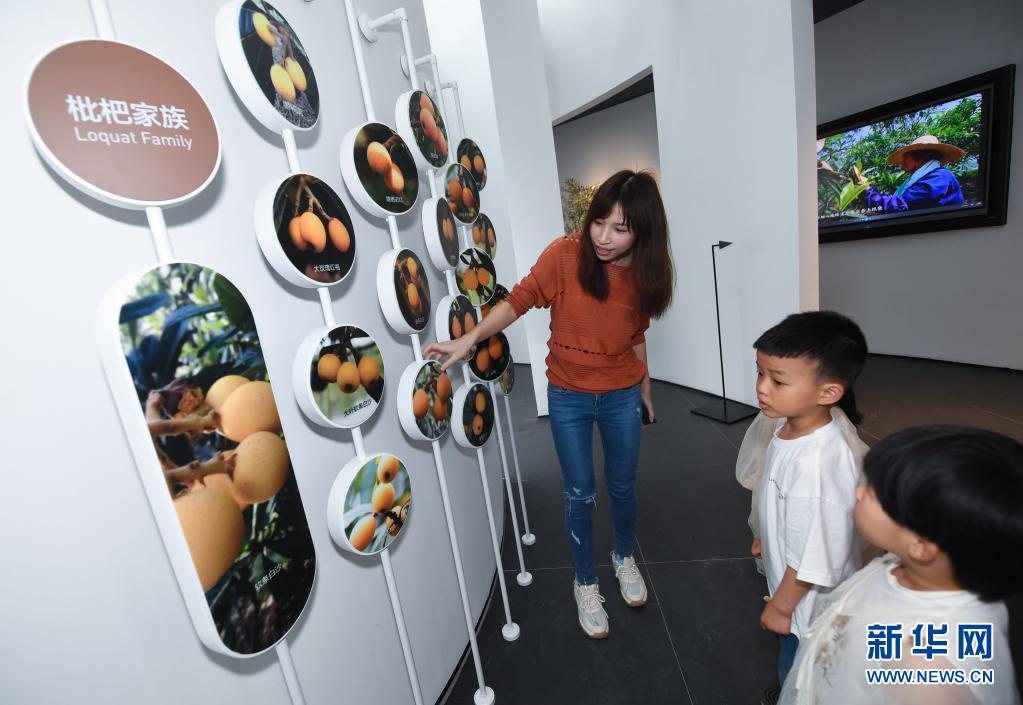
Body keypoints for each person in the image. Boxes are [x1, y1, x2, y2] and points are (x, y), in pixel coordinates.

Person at [423, 170, 674, 639]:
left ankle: (623, 557)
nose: (603, 237)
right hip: (568, 396)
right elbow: (518, 300)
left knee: (622, 485)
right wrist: (469, 338)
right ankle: (585, 581)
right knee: (579, 492)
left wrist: (645, 386)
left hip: (621, 395)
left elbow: (636, 335)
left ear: (643, 231)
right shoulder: (564, 255)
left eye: (620, 228)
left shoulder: (645, 275)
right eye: (599, 221)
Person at [779, 426, 1023, 705]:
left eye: (873, 493)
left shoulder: (926, 671)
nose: (858, 492)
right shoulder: (916, 567)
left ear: (921, 545)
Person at [749, 311, 869, 704]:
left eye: (778, 380)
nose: (762, 388)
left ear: (828, 393)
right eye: (760, 373)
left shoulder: (816, 465)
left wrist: (781, 608)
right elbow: (786, 507)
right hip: (795, 586)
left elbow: (817, 557)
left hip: (808, 607)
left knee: (801, 665)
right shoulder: (789, 427)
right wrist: (768, 537)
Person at [852, 135, 965, 212]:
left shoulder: (940, 177)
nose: (902, 162)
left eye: (905, 156)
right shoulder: (928, 177)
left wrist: (868, 189)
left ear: (919, 156)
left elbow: (900, 205)